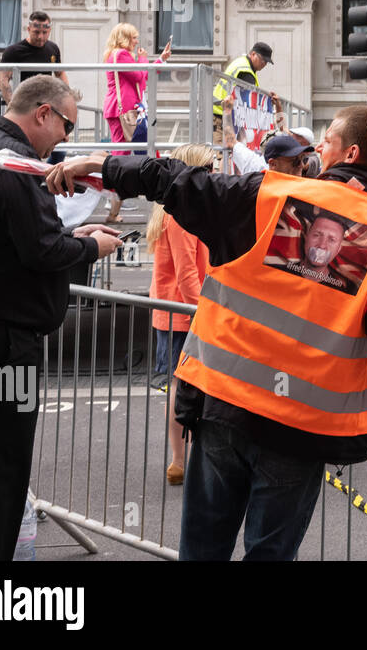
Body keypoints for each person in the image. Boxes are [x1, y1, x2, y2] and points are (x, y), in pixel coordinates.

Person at [47, 104, 367, 561]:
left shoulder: (269, 196)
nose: (317, 150)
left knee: (202, 550)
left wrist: (99, 164)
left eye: (326, 140)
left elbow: (174, 180)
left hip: (224, 409)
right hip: (301, 430)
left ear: (349, 153)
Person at [0, 75, 122, 560]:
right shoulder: (12, 162)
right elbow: (40, 248)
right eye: (67, 126)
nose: (66, 139)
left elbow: (13, 237)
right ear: (43, 113)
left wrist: (75, 231)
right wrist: (90, 245)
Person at [147, 143, 213, 486]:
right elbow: (188, 274)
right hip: (184, 314)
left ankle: (181, 459)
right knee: (182, 387)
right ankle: (179, 459)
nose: (214, 174)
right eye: (208, 168)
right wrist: (204, 310)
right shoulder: (182, 216)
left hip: (175, 313)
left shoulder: (171, 211)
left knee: (180, 386)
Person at [103, 23, 172, 221]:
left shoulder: (116, 55)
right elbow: (139, 74)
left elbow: (143, 76)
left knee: (127, 153)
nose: (136, 41)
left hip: (124, 110)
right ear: (124, 38)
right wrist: (144, 58)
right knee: (121, 155)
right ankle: (112, 197)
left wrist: (160, 60)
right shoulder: (121, 55)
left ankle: (115, 201)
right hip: (123, 111)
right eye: (133, 37)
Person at [0, 11, 70, 104]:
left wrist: (67, 97)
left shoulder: (53, 48)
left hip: (46, 102)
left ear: (50, 30)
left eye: (45, 32)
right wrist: (12, 104)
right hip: (24, 103)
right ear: (28, 29)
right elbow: (3, 80)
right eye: (36, 32)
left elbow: (60, 74)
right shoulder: (13, 51)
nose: (40, 37)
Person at [212, 41, 276, 141]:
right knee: (220, 154)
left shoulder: (242, 63)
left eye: (266, 62)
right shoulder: (246, 71)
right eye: (262, 60)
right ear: (253, 54)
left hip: (223, 114)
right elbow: (250, 102)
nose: (264, 64)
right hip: (222, 117)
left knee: (227, 153)